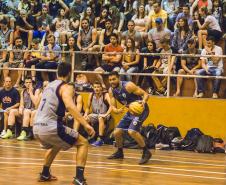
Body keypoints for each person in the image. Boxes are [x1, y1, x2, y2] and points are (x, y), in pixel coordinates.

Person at [33, 62, 95, 185]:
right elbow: (70, 106)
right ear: (69, 73)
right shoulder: (66, 86)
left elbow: (36, 105)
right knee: (83, 143)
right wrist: (86, 124)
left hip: (36, 127)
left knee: (57, 143)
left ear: (57, 72)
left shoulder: (48, 86)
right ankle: (79, 178)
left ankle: (45, 174)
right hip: (50, 127)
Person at [107, 71, 151, 165]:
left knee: (132, 131)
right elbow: (113, 105)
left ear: (118, 78)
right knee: (117, 132)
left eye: (114, 79)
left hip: (141, 110)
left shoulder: (128, 86)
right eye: (110, 80)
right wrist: (116, 110)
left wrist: (143, 101)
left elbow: (146, 94)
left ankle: (146, 151)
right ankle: (119, 152)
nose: (112, 81)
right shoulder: (111, 90)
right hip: (130, 111)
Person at [84, 81, 112, 147]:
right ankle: (91, 136)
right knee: (84, 119)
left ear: (101, 88)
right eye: (95, 87)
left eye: (98, 87)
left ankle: (100, 139)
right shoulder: (91, 95)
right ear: (93, 88)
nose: (96, 88)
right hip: (95, 114)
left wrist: (106, 114)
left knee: (100, 117)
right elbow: (88, 107)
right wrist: (85, 114)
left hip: (105, 114)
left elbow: (111, 106)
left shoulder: (106, 95)